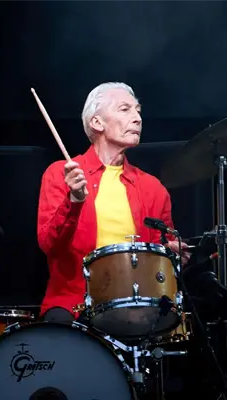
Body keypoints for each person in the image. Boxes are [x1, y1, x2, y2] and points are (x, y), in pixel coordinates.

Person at [36, 82, 190, 324]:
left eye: (138, 110)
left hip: (136, 305)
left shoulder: (153, 187)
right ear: (97, 123)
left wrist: (172, 254)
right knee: (58, 330)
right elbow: (49, 245)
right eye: (125, 109)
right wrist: (74, 200)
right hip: (74, 304)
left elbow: (160, 256)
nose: (137, 118)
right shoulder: (61, 174)